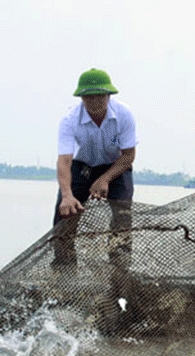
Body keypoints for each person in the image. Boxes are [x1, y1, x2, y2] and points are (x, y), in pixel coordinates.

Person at [52, 68, 137, 269]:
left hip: (116, 166)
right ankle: (65, 271)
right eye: (88, 97)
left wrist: (105, 179)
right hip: (82, 167)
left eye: (100, 96)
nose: (95, 102)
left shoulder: (124, 115)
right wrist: (66, 195)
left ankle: (120, 270)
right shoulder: (69, 120)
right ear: (81, 97)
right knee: (65, 215)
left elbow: (129, 156)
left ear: (108, 95)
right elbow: (64, 160)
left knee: (122, 218)